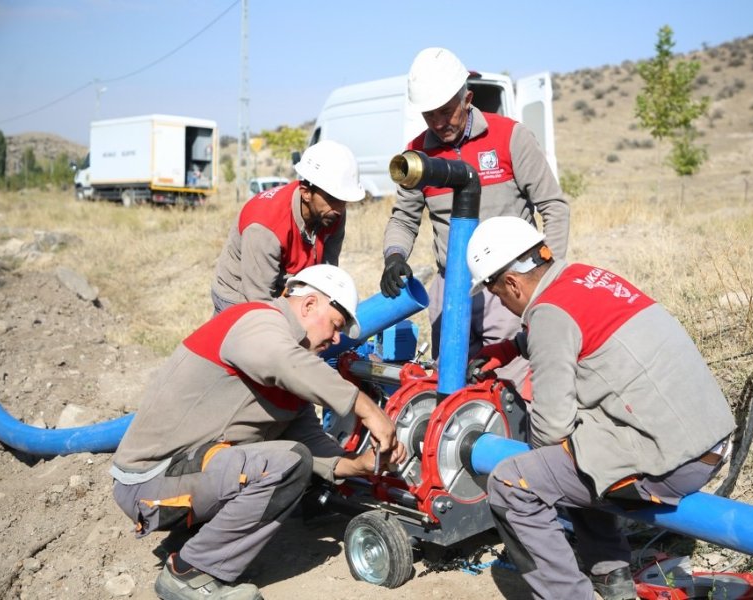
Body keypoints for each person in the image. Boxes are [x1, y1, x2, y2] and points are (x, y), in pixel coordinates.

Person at [464, 216, 736, 600]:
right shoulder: (584, 277)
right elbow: (588, 335)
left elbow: (551, 430)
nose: (504, 305)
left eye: (498, 294)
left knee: (514, 484)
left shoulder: (548, 314)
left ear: (511, 282)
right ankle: (612, 580)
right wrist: (514, 347)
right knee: (578, 451)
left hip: (674, 464)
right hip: (709, 438)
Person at [111, 264, 406, 600]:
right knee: (286, 463)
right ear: (309, 305)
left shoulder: (292, 374)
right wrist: (370, 411)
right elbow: (284, 361)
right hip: (149, 481)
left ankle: (192, 544)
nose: (336, 339)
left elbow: (311, 444)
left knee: (295, 458)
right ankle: (190, 573)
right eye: (336, 326)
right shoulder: (258, 322)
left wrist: (360, 466)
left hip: (182, 477)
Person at [380, 47, 570, 391]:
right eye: (429, 115)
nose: (438, 123)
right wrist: (394, 256)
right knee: (451, 386)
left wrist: (546, 278)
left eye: (446, 111)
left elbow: (553, 206)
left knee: (511, 384)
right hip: (449, 285)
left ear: (467, 98)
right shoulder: (417, 155)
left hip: (510, 285)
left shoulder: (510, 137)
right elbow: (404, 219)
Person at [212, 140, 365, 315]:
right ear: (306, 192)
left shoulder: (332, 214)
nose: (340, 208)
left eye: (344, 200)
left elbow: (326, 274)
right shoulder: (265, 227)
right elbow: (258, 301)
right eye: (332, 198)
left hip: (283, 287)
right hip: (238, 295)